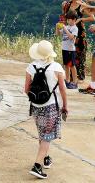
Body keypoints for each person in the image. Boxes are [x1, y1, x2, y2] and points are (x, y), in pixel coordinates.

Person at [25, 40, 68, 179]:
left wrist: (37, 99)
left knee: (42, 134)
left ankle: (46, 158)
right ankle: (37, 166)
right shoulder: (56, 67)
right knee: (47, 136)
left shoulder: (31, 66)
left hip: (36, 107)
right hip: (51, 107)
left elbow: (26, 89)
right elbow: (62, 89)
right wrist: (65, 106)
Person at [61, 0, 93, 82]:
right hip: (68, 31)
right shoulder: (67, 4)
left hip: (79, 32)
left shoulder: (82, 5)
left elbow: (92, 17)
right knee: (68, 52)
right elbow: (64, 16)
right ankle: (69, 77)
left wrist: (81, 19)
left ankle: (79, 77)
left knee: (80, 53)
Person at [57, 10, 79, 89]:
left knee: (72, 65)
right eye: (67, 20)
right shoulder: (67, 26)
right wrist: (57, 27)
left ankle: (75, 82)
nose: (68, 21)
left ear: (74, 20)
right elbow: (58, 34)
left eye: (69, 19)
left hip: (70, 50)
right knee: (66, 65)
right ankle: (67, 80)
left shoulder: (74, 28)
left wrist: (65, 29)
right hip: (65, 48)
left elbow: (71, 37)